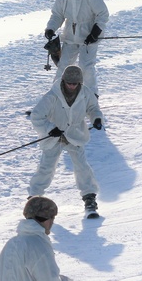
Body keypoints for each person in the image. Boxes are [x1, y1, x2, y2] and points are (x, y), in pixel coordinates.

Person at [29, 65, 104, 217]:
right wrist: (50, 128)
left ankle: (89, 198)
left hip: (75, 135)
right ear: (63, 80)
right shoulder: (52, 96)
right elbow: (36, 116)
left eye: (75, 83)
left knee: (82, 166)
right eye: (69, 82)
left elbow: (93, 108)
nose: (71, 86)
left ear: (80, 83)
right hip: (54, 138)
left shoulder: (85, 93)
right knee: (46, 168)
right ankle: (33, 200)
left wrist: (96, 118)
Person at [44, 0, 109, 96]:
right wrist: (51, 28)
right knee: (64, 65)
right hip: (70, 37)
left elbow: (103, 14)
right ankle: (56, 95)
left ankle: (91, 95)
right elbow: (57, 15)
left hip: (89, 38)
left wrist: (95, 32)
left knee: (86, 67)